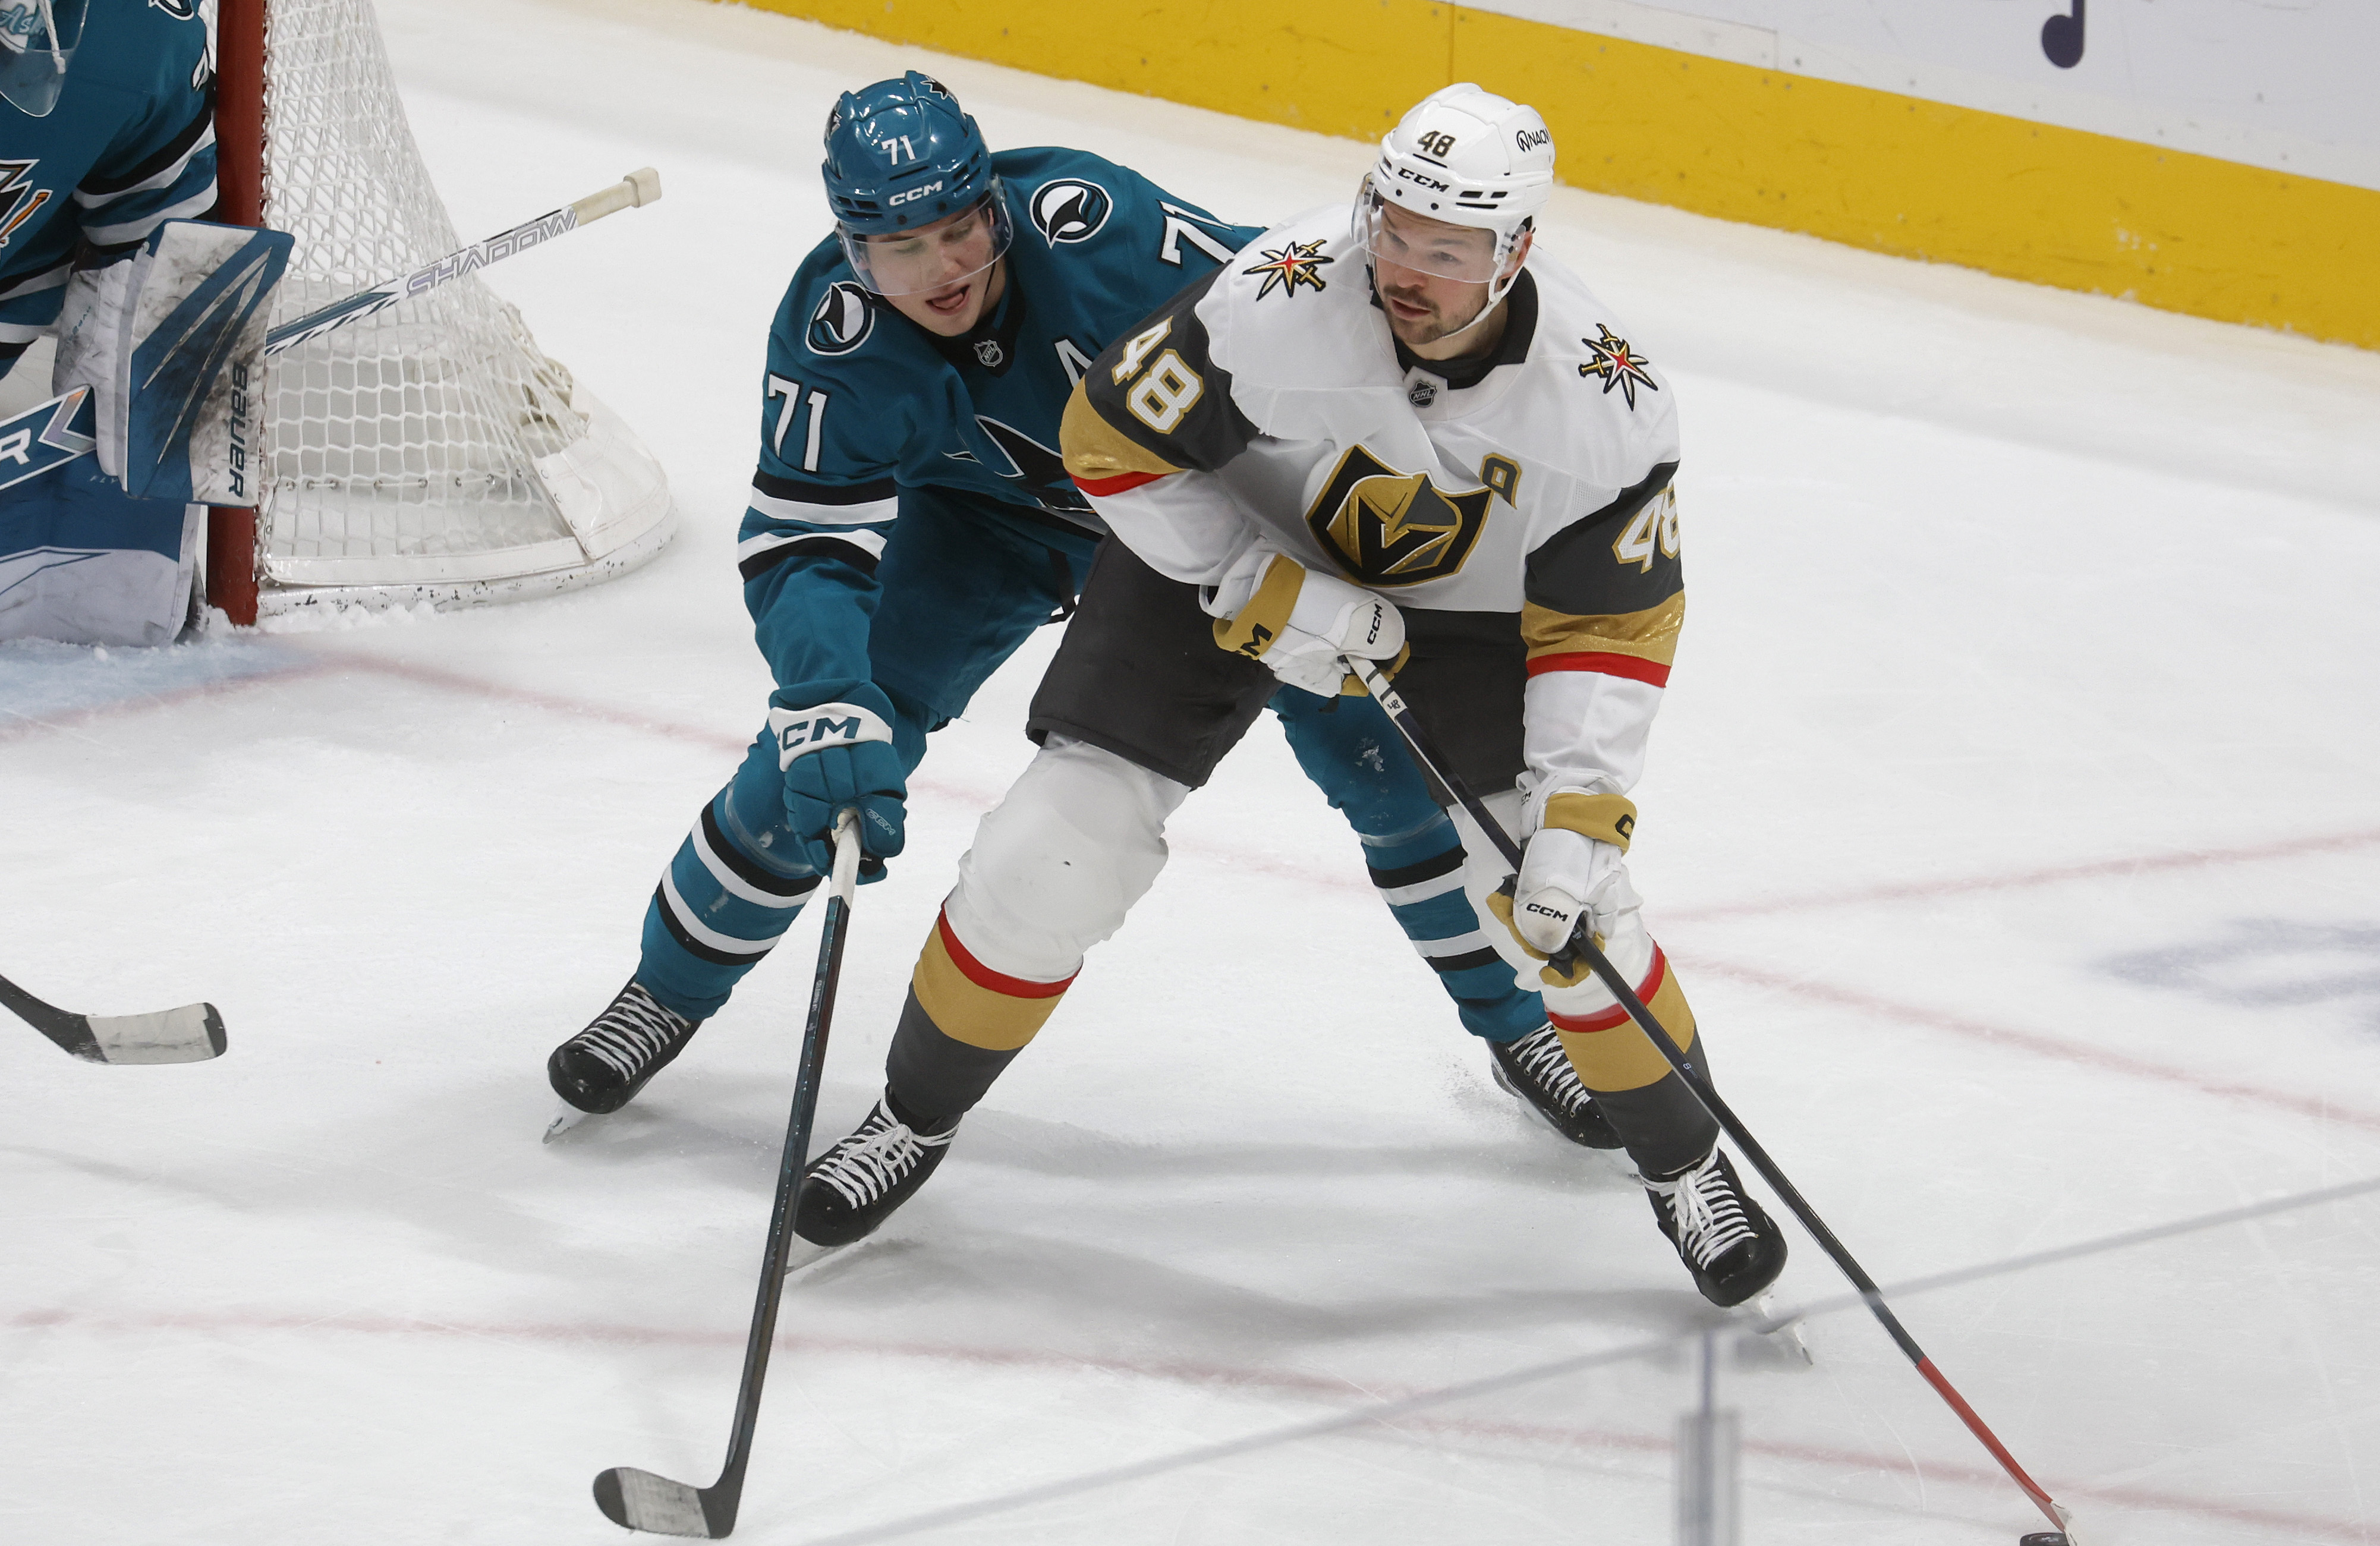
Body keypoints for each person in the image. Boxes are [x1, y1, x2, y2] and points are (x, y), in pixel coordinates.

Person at [797, 83, 1787, 1312]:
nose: (1404, 272)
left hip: (1464, 617)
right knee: (1051, 851)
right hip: (1228, 552)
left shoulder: (1605, 404)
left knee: (1568, 905)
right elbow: (1106, 437)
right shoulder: (1276, 295)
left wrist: (1581, 812)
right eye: (1392, 229)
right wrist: (1248, 578)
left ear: (1515, 249)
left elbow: (1609, 622)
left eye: (1445, 252)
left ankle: (1687, 1166)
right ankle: (912, 1114)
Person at [547, 73, 1610, 1155]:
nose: (943, 269)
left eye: (959, 230)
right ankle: (661, 995)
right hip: (986, 526)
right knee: (821, 753)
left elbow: (1300, 321)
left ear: (994, 206)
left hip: (1223, 507)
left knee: (1385, 760)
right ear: (853, 250)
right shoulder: (833, 335)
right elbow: (803, 539)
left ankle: (1519, 1026)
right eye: (902, 248)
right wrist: (824, 690)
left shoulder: (1103, 231)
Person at [0, 0, 218, 646]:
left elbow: (158, 219)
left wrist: (151, 361)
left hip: (28, 245)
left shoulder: (138, 40)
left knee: (114, 586)